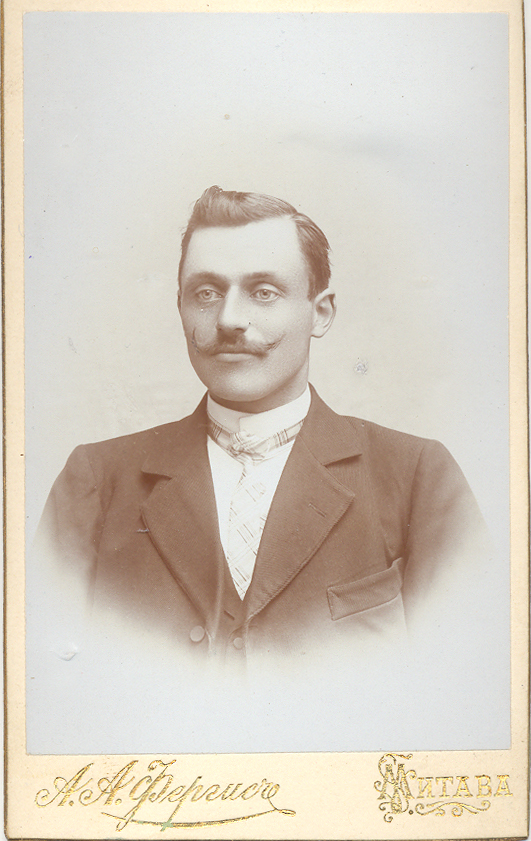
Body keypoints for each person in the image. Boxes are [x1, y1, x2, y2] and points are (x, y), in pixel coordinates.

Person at [30, 186, 496, 681]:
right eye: (206, 293)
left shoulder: (418, 476)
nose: (229, 319)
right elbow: (44, 683)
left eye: (264, 292)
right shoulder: (96, 481)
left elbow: (464, 685)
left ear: (321, 313)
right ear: (181, 307)